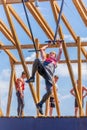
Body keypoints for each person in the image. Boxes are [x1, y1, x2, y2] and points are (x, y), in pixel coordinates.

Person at [26, 40, 62, 115]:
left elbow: (60, 51)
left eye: (53, 54)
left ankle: (40, 104)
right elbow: (42, 49)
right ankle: (32, 77)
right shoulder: (45, 58)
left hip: (49, 75)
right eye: (51, 53)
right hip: (43, 70)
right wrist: (48, 45)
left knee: (49, 92)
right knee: (37, 60)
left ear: (54, 56)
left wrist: (60, 44)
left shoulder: (55, 61)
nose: (52, 54)